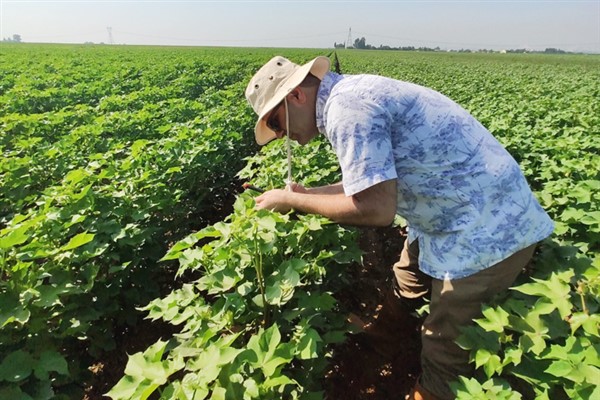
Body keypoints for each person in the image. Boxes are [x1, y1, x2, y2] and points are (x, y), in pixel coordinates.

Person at [244, 55, 554, 400]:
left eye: (276, 122)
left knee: (447, 343)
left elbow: (376, 209)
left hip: (484, 227)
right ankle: (380, 341)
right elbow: (370, 181)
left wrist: (294, 201)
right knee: (407, 279)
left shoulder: (347, 109)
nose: (280, 135)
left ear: (296, 96)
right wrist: (307, 195)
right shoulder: (347, 96)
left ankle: (432, 389)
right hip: (447, 210)